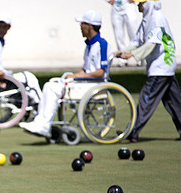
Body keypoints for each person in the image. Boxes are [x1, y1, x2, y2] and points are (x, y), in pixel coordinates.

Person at [19, 10, 113, 138]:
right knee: (50, 84)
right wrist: (73, 75)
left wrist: (76, 77)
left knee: (52, 88)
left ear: (89, 26)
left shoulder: (101, 44)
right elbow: (86, 70)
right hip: (87, 82)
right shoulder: (89, 46)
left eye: (82, 24)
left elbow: (100, 72)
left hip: (95, 85)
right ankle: (40, 123)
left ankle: (43, 125)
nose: (80, 27)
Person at [117, 0, 181, 142]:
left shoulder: (157, 18)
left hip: (161, 68)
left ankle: (133, 132)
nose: (138, 6)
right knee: (174, 103)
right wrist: (122, 51)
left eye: (140, 3)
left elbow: (152, 44)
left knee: (146, 98)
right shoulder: (147, 18)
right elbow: (137, 41)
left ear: (148, 4)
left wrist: (132, 55)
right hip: (164, 69)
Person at [0, 15, 42, 107]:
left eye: (4, 27)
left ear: (8, 27)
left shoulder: (0, 40)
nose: (1, 29)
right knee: (30, 78)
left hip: (0, 75)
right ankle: (40, 106)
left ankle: (34, 104)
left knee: (28, 82)